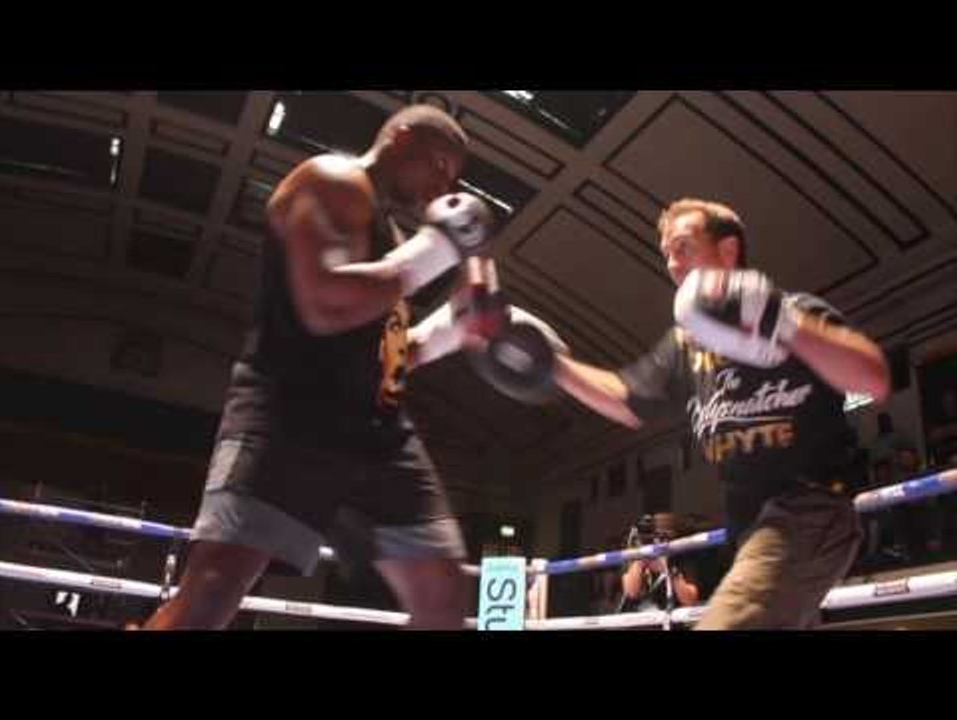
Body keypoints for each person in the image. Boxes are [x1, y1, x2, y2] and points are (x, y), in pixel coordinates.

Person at [143, 105, 498, 630]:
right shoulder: (331, 180)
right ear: (401, 139)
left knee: (441, 591)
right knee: (212, 595)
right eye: (440, 164)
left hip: (375, 431)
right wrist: (439, 249)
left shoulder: (394, 244)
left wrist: (451, 327)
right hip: (291, 412)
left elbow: (390, 356)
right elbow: (324, 305)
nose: (445, 185)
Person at [463, 198, 891, 629]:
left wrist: (783, 325)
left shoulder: (795, 310)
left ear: (727, 251)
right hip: (750, 531)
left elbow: (872, 378)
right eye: (666, 253)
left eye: (683, 247)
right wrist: (550, 363)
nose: (670, 264)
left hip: (810, 510)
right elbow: (626, 398)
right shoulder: (685, 346)